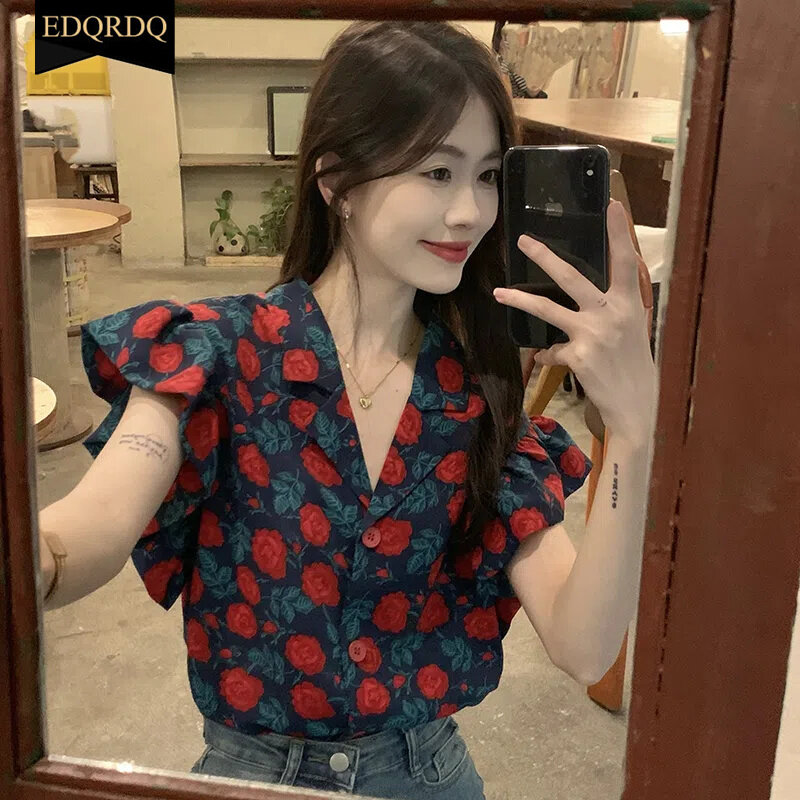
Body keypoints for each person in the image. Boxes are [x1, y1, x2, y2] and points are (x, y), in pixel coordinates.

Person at [37, 20, 657, 800]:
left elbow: (584, 644)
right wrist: (42, 555)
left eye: (490, 176)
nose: (470, 212)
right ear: (335, 179)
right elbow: (96, 522)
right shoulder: (216, 353)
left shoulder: (477, 394)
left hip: (428, 777)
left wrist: (633, 431)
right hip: (254, 778)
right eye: (438, 171)